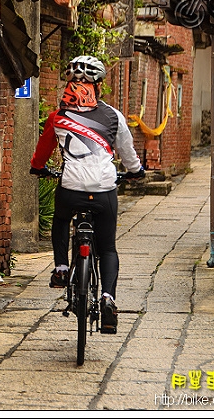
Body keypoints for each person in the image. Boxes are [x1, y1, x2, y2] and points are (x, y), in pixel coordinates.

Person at [29, 55, 145, 334]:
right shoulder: (114, 117)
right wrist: (136, 171)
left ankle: (60, 267)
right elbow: (129, 155)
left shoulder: (58, 118)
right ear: (100, 86)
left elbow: (41, 154)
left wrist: (38, 168)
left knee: (60, 221)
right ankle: (108, 299)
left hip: (71, 189)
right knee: (107, 248)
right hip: (105, 190)